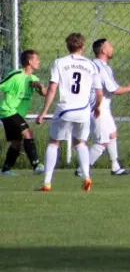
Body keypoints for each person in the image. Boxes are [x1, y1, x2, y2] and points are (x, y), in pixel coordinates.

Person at [36, 33, 103, 192]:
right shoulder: (91, 65)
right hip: (83, 111)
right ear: (82, 46)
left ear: (68, 47)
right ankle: (86, 176)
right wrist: (97, 107)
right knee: (80, 143)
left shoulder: (59, 63)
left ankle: (47, 182)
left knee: (54, 143)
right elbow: (99, 92)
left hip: (66, 109)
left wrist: (44, 112)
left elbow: (52, 88)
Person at [74, 39, 130, 177]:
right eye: (109, 46)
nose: (112, 48)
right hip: (98, 107)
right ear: (103, 50)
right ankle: (82, 168)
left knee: (112, 134)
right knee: (101, 143)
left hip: (103, 107)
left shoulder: (101, 65)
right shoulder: (99, 67)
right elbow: (114, 89)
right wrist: (129, 88)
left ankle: (115, 167)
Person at [0, 50, 47, 175]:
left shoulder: (33, 79)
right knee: (28, 133)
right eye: (37, 59)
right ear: (30, 62)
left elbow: (45, 93)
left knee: (16, 142)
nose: (39, 62)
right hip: (8, 111)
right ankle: (36, 165)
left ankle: (5, 169)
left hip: (17, 114)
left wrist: (40, 86)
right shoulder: (16, 76)